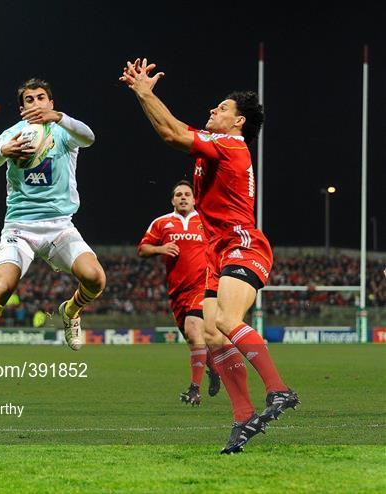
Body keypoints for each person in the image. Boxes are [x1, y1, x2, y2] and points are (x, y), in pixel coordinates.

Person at [120, 59, 299, 454]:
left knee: (226, 320)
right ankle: (243, 415)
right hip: (217, 253)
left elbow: (171, 133)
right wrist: (142, 95)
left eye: (222, 108)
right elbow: (171, 131)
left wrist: (145, 92)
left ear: (239, 122)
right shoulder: (213, 147)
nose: (213, 110)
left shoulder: (231, 145)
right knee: (215, 332)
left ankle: (280, 390)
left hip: (242, 244)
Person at [0, 78, 106, 394]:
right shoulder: (12, 134)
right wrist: (5, 150)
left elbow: (90, 138)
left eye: (41, 97)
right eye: (29, 99)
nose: (35, 103)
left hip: (60, 226)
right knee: (3, 286)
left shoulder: (64, 132)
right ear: (22, 108)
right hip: (19, 228)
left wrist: (60, 118)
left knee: (96, 279)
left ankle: (70, 311)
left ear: (50, 102)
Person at [138, 180, 220, 405]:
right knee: (193, 338)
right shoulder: (161, 223)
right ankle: (213, 368)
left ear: (194, 199)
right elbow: (142, 248)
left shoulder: (206, 220)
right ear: (172, 200)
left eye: (187, 194)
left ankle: (195, 389)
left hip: (202, 286)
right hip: (177, 291)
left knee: (194, 330)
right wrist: (159, 248)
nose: (183, 197)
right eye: (178, 195)